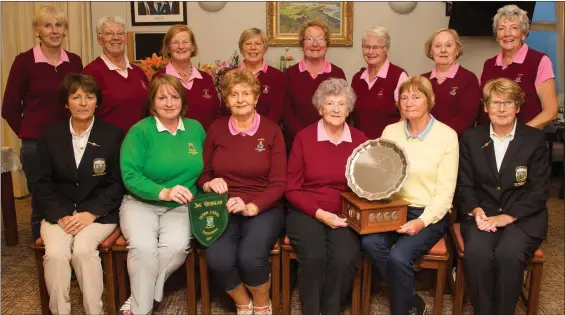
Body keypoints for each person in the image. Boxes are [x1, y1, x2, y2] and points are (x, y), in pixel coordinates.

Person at [361, 76, 459, 315]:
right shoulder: (390, 131)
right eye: (403, 98)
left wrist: (421, 221)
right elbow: (381, 175)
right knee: (369, 243)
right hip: (393, 208)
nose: (408, 102)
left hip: (429, 212)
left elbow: (446, 193)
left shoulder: (447, 136)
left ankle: (403, 310)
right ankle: (412, 297)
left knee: (398, 257)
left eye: (416, 97)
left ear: (429, 100)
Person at [456, 78, 549, 315]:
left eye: (508, 103)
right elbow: (465, 185)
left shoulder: (534, 139)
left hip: (523, 216)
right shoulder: (471, 138)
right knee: (477, 254)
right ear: (485, 107)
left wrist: (508, 217)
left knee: (509, 255)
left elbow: (539, 191)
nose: (501, 108)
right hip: (483, 214)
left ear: (518, 107)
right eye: (495, 102)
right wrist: (476, 211)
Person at [198, 69, 286, 315]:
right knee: (218, 258)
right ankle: (242, 303)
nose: (240, 99)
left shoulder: (271, 131)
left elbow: (279, 183)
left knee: (250, 257)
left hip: (264, 206)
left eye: (246, 93)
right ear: (226, 100)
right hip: (223, 206)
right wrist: (209, 184)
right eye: (234, 94)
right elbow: (203, 174)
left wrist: (253, 206)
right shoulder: (216, 129)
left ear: (256, 97)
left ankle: (262, 305)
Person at [34, 73, 124, 315]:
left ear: (97, 102)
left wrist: (91, 213)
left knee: (84, 251)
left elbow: (118, 184)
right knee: (55, 254)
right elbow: (41, 183)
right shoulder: (50, 136)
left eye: (89, 97)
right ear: (66, 103)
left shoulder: (113, 135)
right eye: (76, 97)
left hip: (99, 213)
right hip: (59, 212)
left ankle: (94, 311)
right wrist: (61, 215)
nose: (83, 103)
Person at [118, 74, 205, 315]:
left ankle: (141, 295)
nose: (169, 103)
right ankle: (141, 309)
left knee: (176, 247)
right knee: (143, 247)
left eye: (175, 97)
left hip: (181, 206)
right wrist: (164, 192)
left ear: (183, 101)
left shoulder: (195, 129)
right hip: (140, 202)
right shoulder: (140, 131)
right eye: (162, 97)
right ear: (152, 103)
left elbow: (206, 167)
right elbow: (130, 175)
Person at [285, 78, 367, 315]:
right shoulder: (304, 137)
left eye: (341, 104)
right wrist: (321, 214)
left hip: (344, 212)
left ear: (349, 108)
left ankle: (331, 310)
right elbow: (292, 187)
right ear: (320, 108)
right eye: (329, 103)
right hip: (307, 210)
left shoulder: (360, 140)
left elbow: (366, 185)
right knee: (313, 256)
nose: (335, 109)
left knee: (345, 257)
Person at [2, 5, 83, 240]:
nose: (54, 31)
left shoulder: (75, 62)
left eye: (59, 25)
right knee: (40, 201)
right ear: (37, 30)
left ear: (65, 29)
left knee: (69, 197)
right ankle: (42, 254)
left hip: (70, 141)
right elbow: (8, 108)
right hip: (36, 145)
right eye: (48, 25)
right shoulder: (24, 61)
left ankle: (70, 247)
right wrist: (29, 133)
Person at [478, 4, 558, 128]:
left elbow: (551, 111)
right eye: (501, 28)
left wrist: (520, 136)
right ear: (497, 35)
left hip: (525, 141)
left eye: (514, 28)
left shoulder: (539, 61)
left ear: (523, 34)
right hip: (490, 140)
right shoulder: (489, 64)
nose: (507, 33)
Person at [282, 20, 346, 151]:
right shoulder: (289, 75)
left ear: (326, 44)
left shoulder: (337, 73)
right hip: (297, 143)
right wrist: (305, 137)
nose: (315, 44)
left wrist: (325, 136)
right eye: (309, 38)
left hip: (331, 143)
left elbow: (342, 110)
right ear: (302, 44)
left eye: (320, 39)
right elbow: (286, 113)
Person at [82, 16, 150, 134]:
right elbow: (83, 113)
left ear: (125, 38)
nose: (116, 38)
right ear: (100, 39)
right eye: (109, 33)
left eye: (120, 33)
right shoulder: (90, 73)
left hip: (139, 142)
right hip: (107, 145)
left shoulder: (138, 72)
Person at [154, 24, 221, 131]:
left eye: (185, 42)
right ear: (168, 48)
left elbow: (217, 113)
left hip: (204, 142)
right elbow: (153, 115)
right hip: (172, 142)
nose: (181, 46)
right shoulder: (159, 78)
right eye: (175, 42)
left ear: (193, 46)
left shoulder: (206, 79)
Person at [351, 26, 408, 139]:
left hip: (388, 145)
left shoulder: (399, 76)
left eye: (376, 47)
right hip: (361, 146)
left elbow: (407, 115)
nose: (371, 52)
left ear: (386, 49)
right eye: (367, 47)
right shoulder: (357, 79)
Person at [422, 28, 481, 137]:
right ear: (431, 51)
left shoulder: (468, 79)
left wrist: (435, 134)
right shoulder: (422, 80)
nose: (443, 50)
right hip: (424, 142)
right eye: (438, 46)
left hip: (455, 144)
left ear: (457, 49)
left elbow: (466, 118)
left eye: (448, 45)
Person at [237, 28, 285, 124]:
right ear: (241, 49)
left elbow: (277, 110)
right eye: (248, 43)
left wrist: (263, 130)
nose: (253, 47)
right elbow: (226, 109)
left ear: (265, 48)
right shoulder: (231, 75)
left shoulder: (277, 76)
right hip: (236, 132)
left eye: (258, 44)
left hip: (266, 132)